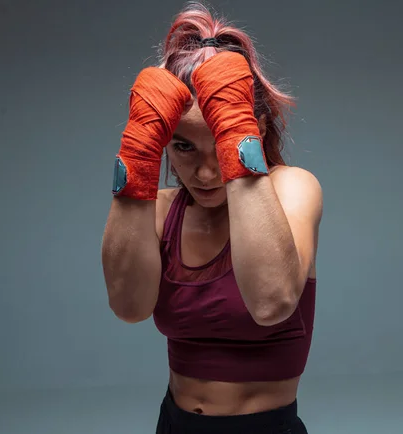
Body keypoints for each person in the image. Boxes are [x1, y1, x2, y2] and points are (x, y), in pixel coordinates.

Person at [101, 2, 323, 433]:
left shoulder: (292, 188)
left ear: (255, 128)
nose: (204, 173)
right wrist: (137, 152)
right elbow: (128, 307)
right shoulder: (162, 210)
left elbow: (271, 301)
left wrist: (235, 134)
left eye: (217, 147)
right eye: (183, 147)